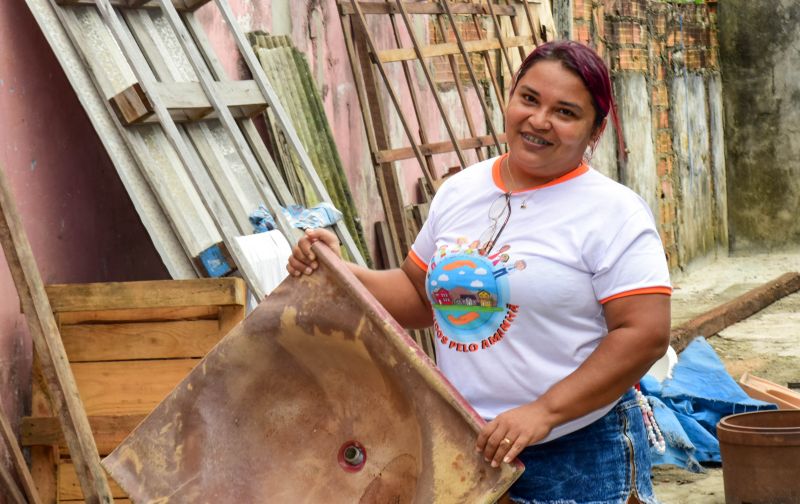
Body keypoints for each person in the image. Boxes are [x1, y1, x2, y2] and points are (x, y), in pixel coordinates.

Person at [287, 40, 671, 504]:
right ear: (510, 98)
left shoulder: (613, 212)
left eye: (565, 112)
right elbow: (417, 294)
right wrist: (337, 269)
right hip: (469, 443)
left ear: (596, 130)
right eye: (529, 99)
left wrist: (543, 412)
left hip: (577, 451)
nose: (539, 120)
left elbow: (644, 333)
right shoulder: (462, 192)